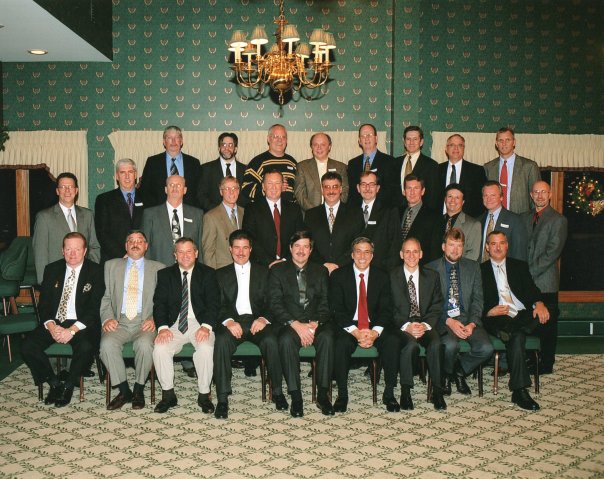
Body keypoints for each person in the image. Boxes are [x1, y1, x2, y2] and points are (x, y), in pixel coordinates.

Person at [21, 232, 104, 407]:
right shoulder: (52, 269)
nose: (72, 254)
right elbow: (44, 305)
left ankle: (68, 386)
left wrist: (72, 330)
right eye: (68, 249)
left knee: (86, 346)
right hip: (55, 321)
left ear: (85, 251)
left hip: (81, 323)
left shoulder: (96, 271)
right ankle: (54, 383)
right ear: (62, 250)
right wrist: (51, 326)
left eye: (77, 249)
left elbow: (94, 308)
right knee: (28, 346)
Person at [213, 230, 287, 419]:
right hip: (233, 321)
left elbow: (274, 302)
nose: (241, 252)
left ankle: (277, 392)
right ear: (230, 249)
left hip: (257, 321)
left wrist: (263, 319)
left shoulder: (265, 273)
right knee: (221, 341)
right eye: (237, 248)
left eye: (245, 248)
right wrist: (229, 321)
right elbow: (217, 305)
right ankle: (222, 399)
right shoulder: (220, 274)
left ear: (251, 250)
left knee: (271, 340)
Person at [481, 230, 550, 410]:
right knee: (517, 334)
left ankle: (511, 331)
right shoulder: (480, 270)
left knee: (542, 314)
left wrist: (539, 303)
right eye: (493, 244)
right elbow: (475, 301)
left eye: (502, 243)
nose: (498, 247)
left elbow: (531, 289)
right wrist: (488, 312)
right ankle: (520, 391)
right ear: (487, 247)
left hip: (519, 314)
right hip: (498, 316)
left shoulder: (519, 266)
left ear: (507, 246)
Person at [268, 231, 335, 417]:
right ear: (290, 248)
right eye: (297, 246)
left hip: (315, 322)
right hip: (289, 323)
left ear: (311, 250)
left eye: (306, 246)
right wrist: (295, 324)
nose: (301, 250)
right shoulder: (277, 271)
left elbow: (326, 302)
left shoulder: (321, 271)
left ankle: (323, 395)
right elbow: (274, 303)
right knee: (285, 341)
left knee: (328, 338)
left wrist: (314, 324)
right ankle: (296, 396)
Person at [152, 237, 219, 414]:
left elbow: (214, 303)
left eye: (189, 251)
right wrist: (162, 328)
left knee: (205, 348)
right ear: (175, 255)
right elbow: (159, 304)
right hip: (174, 323)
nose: (185, 255)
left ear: (196, 253)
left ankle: (204, 395)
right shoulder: (165, 275)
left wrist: (206, 326)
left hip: (200, 322)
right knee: (160, 348)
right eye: (180, 252)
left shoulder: (208, 273)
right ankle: (168, 395)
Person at [99, 231, 165, 410]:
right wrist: (107, 318)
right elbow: (105, 297)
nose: (135, 244)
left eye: (139, 241)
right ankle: (124, 391)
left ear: (146, 246)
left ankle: (138, 390)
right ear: (126, 246)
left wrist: (155, 319)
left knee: (145, 345)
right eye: (131, 241)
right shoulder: (111, 266)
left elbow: (164, 300)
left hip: (145, 321)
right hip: (118, 321)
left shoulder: (159, 268)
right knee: (106, 345)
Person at [426, 228, 493, 396]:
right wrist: (449, 321)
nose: (455, 250)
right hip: (443, 319)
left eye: (459, 246)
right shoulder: (430, 269)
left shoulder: (473, 267)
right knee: (450, 345)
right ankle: (446, 376)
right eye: (451, 245)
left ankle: (459, 371)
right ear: (443, 247)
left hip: (467, 318)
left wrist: (472, 323)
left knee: (486, 348)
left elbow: (478, 299)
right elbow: (429, 304)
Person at [382, 237, 447, 411]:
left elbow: (437, 305)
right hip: (402, 325)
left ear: (421, 254)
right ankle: (405, 392)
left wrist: (425, 325)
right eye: (407, 251)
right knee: (410, 346)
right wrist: (406, 326)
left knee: (436, 344)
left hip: (424, 323)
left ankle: (437, 392)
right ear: (401, 254)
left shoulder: (432, 276)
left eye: (415, 251)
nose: (411, 255)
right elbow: (389, 308)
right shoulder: (391, 276)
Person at [329, 237, 392, 412]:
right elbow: (337, 310)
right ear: (352, 255)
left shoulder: (382, 276)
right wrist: (356, 332)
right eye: (358, 251)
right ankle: (342, 394)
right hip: (349, 323)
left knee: (392, 341)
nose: (362, 256)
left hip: (374, 323)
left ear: (372, 256)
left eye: (366, 252)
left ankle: (389, 393)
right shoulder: (338, 275)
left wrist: (375, 332)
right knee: (341, 343)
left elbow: (386, 309)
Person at [522, 180, 568, 374]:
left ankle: (546, 363)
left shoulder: (558, 220)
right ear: (531, 195)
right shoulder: (524, 218)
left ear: (550, 195)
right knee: (529, 321)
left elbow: (552, 252)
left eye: (543, 192)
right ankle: (531, 359)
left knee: (547, 325)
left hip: (545, 282)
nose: (539, 195)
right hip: (526, 282)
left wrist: (528, 273)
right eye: (536, 192)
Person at [33, 172, 101, 284]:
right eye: (63, 187)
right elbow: (40, 254)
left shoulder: (88, 215)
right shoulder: (44, 217)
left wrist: (91, 271)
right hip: (57, 279)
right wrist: (44, 282)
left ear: (76, 190)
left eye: (70, 187)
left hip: (84, 278)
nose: (67, 190)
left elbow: (94, 246)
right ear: (57, 191)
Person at [303, 172, 364, 274]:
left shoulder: (355, 213)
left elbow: (358, 243)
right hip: (318, 271)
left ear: (341, 189)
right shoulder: (310, 215)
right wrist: (324, 264)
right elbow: (307, 244)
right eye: (327, 187)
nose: (331, 191)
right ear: (322, 190)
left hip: (346, 270)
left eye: (335, 187)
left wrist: (338, 264)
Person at [242, 170, 304, 267]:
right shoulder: (252, 209)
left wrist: (285, 260)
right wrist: (269, 262)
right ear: (263, 186)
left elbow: (299, 237)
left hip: (289, 264)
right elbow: (249, 238)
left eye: (277, 183)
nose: (274, 187)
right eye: (270, 183)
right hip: (261, 266)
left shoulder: (294, 209)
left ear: (282, 186)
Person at [142, 175, 204, 267]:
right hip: (159, 270)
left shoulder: (197, 214)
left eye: (178, 185)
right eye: (171, 185)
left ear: (185, 190)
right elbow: (144, 246)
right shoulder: (150, 214)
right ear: (166, 189)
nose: (175, 188)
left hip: (189, 270)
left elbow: (200, 247)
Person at [138, 125, 201, 208]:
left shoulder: (193, 163)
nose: (173, 141)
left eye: (177, 138)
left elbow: (199, 191)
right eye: (169, 138)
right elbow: (145, 190)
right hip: (159, 211)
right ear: (164, 142)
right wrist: (154, 211)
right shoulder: (152, 162)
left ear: (181, 141)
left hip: (187, 211)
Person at [95, 159, 144, 264]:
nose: (127, 176)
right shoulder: (104, 200)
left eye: (130, 172)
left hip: (143, 259)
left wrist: (138, 254)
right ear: (117, 176)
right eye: (122, 173)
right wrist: (123, 255)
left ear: (135, 175)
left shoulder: (148, 199)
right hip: (114, 260)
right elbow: (102, 233)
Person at [483, 127, 541, 214]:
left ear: (514, 142)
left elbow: (536, 198)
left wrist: (534, 219)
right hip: (495, 218)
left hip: (521, 218)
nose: (504, 143)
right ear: (496, 143)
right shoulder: (488, 167)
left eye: (508, 140)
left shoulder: (529, 166)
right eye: (501, 140)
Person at [241, 124, 297, 203]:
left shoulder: (292, 162)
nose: (280, 140)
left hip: (290, 209)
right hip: (263, 209)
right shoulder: (258, 162)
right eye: (276, 136)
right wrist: (270, 188)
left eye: (283, 137)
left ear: (286, 140)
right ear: (268, 139)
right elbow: (245, 188)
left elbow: (299, 190)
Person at [294, 132, 349, 211]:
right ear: (311, 147)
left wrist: (335, 210)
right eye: (315, 144)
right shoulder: (302, 167)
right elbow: (299, 194)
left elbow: (344, 192)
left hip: (336, 213)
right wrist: (315, 212)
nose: (319, 148)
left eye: (323, 144)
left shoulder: (341, 167)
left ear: (329, 147)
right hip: (310, 214)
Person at [357, 171, 400, 270]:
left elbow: (395, 244)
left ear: (378, 188)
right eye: (364, 184)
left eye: (372, 184)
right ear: (358, 188)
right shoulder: (351, 210)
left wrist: (389, 271)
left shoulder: (389, 211)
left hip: (381, 269)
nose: (367, 188)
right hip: (356, 269)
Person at [394, 175, 441, 266]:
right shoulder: (396, 212)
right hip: (397, 269)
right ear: (404, 191)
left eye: (416, 188)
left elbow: (435, 252)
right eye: (409, 188)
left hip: (422, 269)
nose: (412, 192)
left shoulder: (434, 217)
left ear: (422, 191)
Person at [347, 124, 397, 207]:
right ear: (359, 141)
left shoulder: (389, 161)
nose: (366, 138)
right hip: (358, 211)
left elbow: (391, 192)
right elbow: (352, 193)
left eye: (369, 135)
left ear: (376, 139)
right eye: (363, 136)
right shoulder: (352, 164)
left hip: (382, 210)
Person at [437, 134, 486, 217]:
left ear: (464, 149)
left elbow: (481, 199)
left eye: (460, 145)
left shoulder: (477, 171)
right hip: (439, 220)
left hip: (467, 220)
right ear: (446, 149)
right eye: (452, 145)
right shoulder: (436, 169)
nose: (456, 148)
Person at [201, 176, 245, 270]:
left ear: (238, 191)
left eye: (234, 188)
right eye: (227, 189)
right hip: (222, 270)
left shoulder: (245, 213)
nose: (231, 192)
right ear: (221, 192)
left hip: (243, 269)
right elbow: (208, 252)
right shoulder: (211, 217)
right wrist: (212, 275)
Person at [197, 132, 247, 212]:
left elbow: (248, 196)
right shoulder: (206, 169)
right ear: (219, 148)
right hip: (214, 215)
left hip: (241, 215)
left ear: (235, 149)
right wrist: (218, 212)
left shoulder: (246, 170)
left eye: (230, 145)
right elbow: (201, 196)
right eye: (223, 145)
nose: (226, 148)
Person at [480, 181, 527, 262]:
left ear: (501, 197)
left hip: (506, 268)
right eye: (485, 195)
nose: (488, 199)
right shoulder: (478, 221)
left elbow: (519, 254)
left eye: (493, 195)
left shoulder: (515, 220)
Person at [394, 125, 439, 211]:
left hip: (421, 213)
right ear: (404, 141)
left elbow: (433, 196)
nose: (411, 142)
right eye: (408, 139)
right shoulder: (395, 163)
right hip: (397, 213)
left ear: (421, 142)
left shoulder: (431, 165)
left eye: (415, 139)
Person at [441, 184, 482, 261]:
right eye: (450, 196)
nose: (453, 200)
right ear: (445, 199)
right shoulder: (437, 221)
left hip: (460, 267)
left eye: (457, 197)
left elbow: (472, 255)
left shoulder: (473, 225)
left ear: (463, 202)